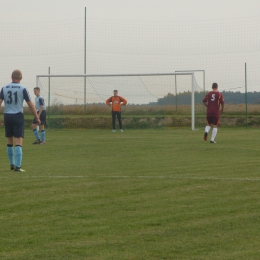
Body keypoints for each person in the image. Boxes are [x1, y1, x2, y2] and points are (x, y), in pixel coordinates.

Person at [0, 70, 40, 172]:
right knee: (18, 140)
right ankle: (18, 166)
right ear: (21, 78)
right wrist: (37, 117)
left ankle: (11, 163)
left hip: (7, 116)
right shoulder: (23, 88)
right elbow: (31, 105)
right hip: (18, 115)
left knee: (9, 140)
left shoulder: (4, 88)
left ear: (11, 77)